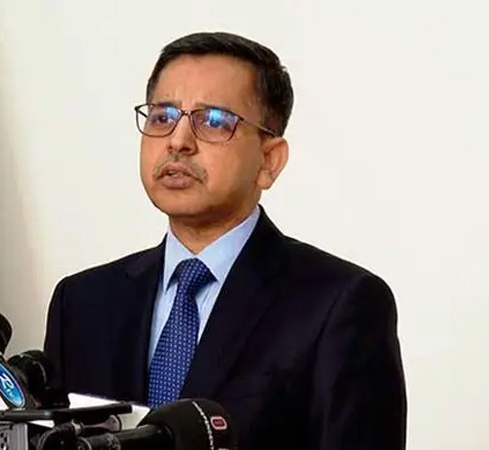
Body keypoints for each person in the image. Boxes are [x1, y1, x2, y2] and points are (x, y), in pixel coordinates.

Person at [43, 31, 406, 450]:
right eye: (162, 117)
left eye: (213, 121)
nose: (178, 141)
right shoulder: (83, 302)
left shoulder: (338, 304)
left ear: (269, 161)